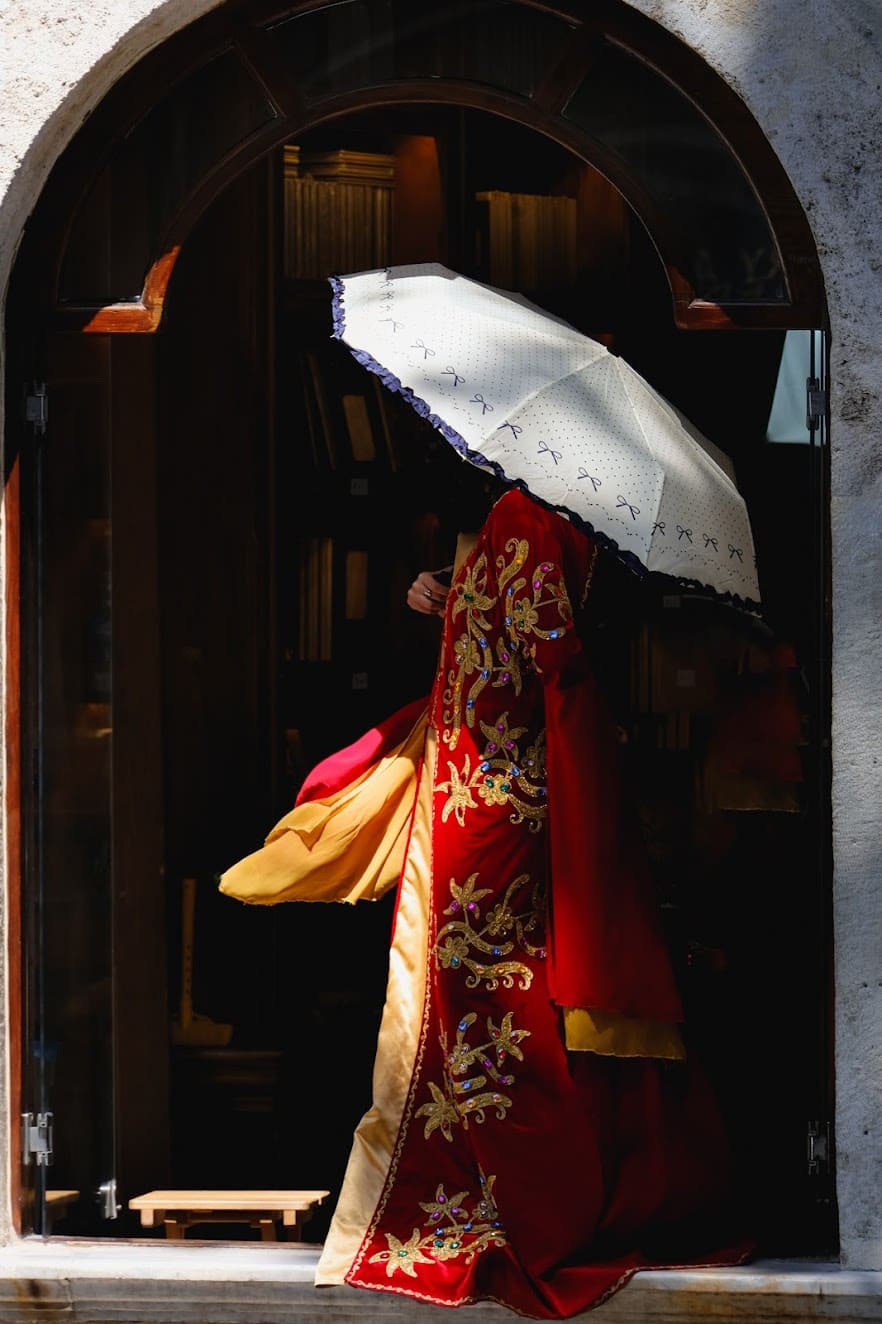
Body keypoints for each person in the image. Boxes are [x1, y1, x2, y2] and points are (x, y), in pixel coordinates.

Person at [219, 480, 749, 1319]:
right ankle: (500, 1200)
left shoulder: (521, 515)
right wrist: (455, 582)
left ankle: (495, 1212)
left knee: (479, 1010)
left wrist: (472, 590)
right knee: (511, 1004)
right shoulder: (557, 525)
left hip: (485, 803)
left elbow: (544, 647)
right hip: (510, 794)